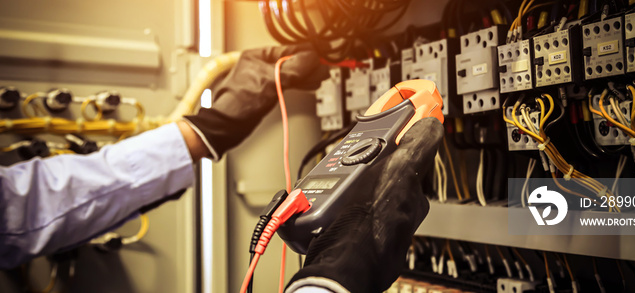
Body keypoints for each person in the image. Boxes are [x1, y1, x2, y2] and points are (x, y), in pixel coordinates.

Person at [0, 45, 443, 293]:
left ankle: (522, 204)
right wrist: (342, 268)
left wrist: (211, 128)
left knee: (522, 202)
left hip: (518, 194)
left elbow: (25, 206)